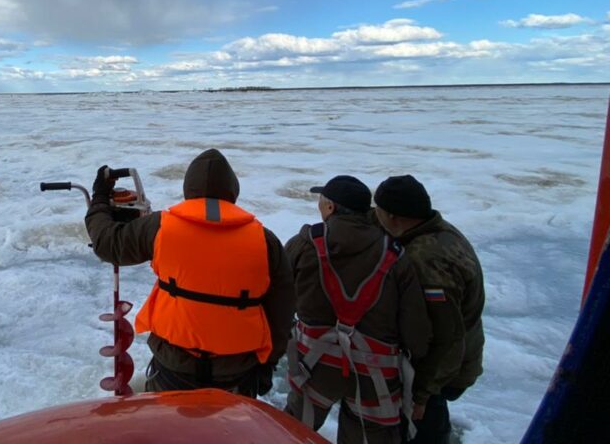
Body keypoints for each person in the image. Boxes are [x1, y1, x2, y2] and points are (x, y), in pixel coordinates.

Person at [84, 148, 293, 397]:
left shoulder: (160, 227)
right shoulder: (265, 241)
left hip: (172, 370)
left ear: (188, 190)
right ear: (232, 191)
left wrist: (99, 199)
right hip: (237, 374)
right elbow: (282, 311)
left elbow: (108, 244)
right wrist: (267, 366)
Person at [285, 175, 431, 444]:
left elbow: (280, 295)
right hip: (375, 374)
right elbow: (416, 331)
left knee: (292, 433)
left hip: (315, 368)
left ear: (330, 207)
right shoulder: (395, 254)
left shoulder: (306, 243)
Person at [373, 175, 485, 444]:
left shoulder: (426, 261)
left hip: (440, 372)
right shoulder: (435, 231)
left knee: (423, 428)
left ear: (392, 216)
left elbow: (445, 336)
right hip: (450, 360)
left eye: (377, 210)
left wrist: (421, 395)